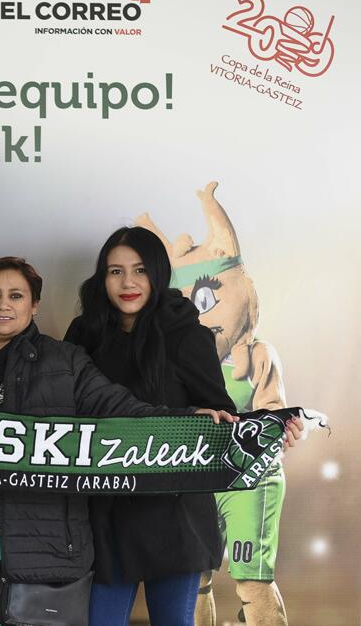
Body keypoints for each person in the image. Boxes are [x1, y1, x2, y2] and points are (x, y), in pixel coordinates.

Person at [0, 257, 238, 626]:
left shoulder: (65, 361)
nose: (4, 305)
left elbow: (119, 408)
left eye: (16, 295)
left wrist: (185, 418)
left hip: (37, 542)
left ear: (34, 305)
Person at [63, 226, 302, 626]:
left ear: (157, 274)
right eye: (115, 271)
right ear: (101, 277)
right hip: (104, 513)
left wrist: (273, 428)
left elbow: (224, 419)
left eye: (139, 270)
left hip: (175, 517)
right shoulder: (83, 335)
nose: (127, 283)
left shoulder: (187, 334)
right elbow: (64, 415)